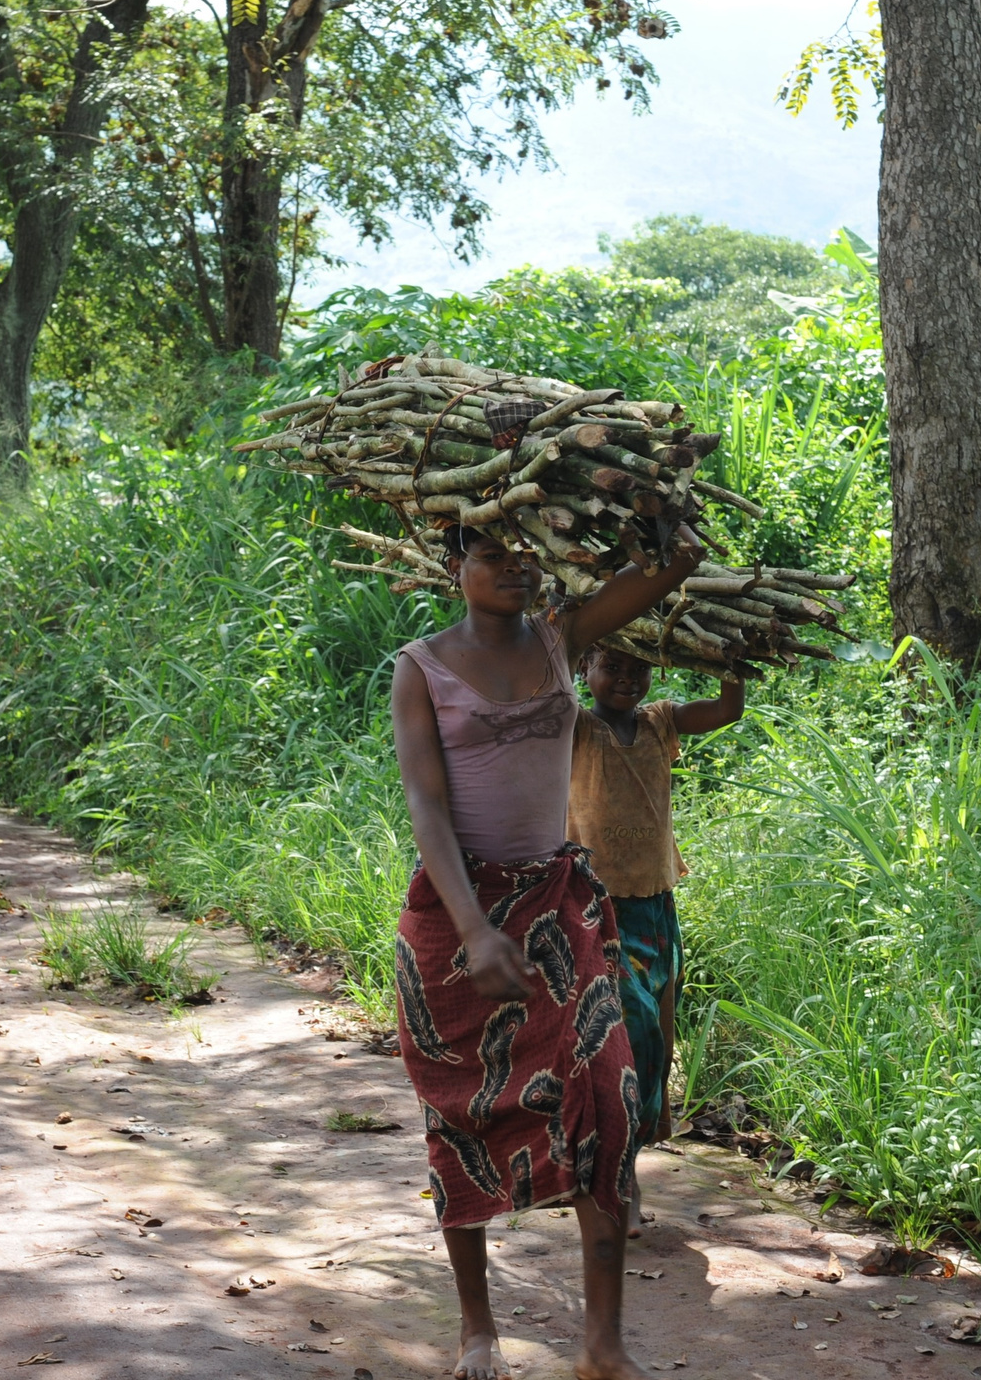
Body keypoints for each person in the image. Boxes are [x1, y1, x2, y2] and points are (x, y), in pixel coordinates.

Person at [391, 518, 705, 1380]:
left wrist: (660, 518)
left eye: (521, 551)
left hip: (560, 906)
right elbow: (427, 808)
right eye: (490, 554)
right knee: (465, 1116)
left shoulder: (566, 639)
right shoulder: (420, 668)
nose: (511, 568)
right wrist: (476, 930)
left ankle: (603, 1348)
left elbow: (672, 564)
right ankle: (477, 1332)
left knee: (608, 1098)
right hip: (458, 920)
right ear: (455, 567)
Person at [568, 643, 744, 1235]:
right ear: (584, 668)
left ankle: (625, 1167)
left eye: (638, 668)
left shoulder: (660, 721)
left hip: (653, 907)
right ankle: (615, 1177)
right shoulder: (573, 726)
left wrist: (731, 657)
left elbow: (727, 709)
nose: (625, 680)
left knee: (655, 1044)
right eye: (610, 666)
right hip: (595, 908)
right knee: (628, 1037)